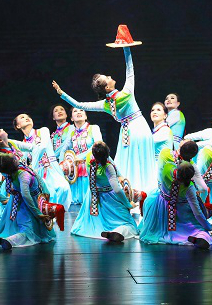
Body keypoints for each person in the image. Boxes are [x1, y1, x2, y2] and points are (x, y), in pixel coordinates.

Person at [52, 46, 156, 191]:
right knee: (143, 160)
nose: (109, 76)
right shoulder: (126, 92)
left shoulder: (105, 104)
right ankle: (146, 189)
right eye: (107, 78)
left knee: (129, 161)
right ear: (107, 87)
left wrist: (62, 93)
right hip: (139, 127)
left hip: (126, 132)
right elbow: (130, 68)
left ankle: (131, 190)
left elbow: (78, 104)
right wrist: (126, 47)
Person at [139, 141, 212, 249]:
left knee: (150, 204)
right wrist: (207, 226)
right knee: (199, 229)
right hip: (181, 211)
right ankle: (197, 236)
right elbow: (197, 211)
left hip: (162, 206)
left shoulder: (167, 167)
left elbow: (160, 180)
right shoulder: (189, 187)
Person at [71, 142, 139, 242]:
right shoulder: (108, 167)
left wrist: (78, 159)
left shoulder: (89, 158)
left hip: (93, 198)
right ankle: (118, 231)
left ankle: (104, 231)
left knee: (93, 224)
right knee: (129, 223)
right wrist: (128, 204)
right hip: (109, 198)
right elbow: (117, 189)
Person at [0, 153, 56, 249]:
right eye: (13, 158)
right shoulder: (23, 175)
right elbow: (26, 195)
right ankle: (10, 240)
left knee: (21, 226)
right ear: (13, 162)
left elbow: (35, 175)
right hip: (27, 204)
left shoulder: (16, 170)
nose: (14, 156)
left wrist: (45, 191)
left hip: (18, 202)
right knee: (28, 229)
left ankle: (6, 238)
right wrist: (37, 213)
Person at [14, 113, 73, 210]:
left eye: (28, 116)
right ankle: (50, 213)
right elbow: (23, 161)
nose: (27, 118)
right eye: (22, 117)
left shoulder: (43, 131)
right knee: (48, 194)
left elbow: (43, 146)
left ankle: (58, 211)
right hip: (38, 173)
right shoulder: (23, 144)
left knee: (64, 188)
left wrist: (33, 166)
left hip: (51, 168)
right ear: (18, 126)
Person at [56, 108, 102, 204]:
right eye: (75, 111)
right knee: (75, 203)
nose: (78, 112)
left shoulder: (93, 128)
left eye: (81, 110)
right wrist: (61, 165)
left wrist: (81, 157)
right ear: (71, 118)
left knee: (91, 201)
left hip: (91, 167)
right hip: (76, 171)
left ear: (85, 116)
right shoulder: (72, 133)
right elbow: (63, 149)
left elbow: (98, 145)